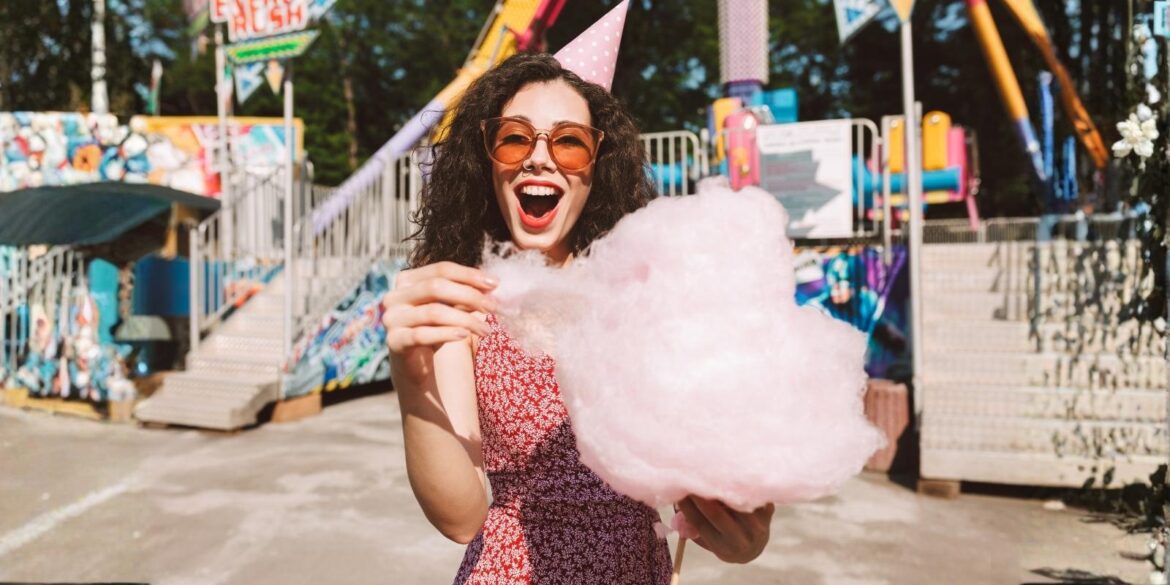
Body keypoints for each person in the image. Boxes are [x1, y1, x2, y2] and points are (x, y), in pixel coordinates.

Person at [381, 10, 773, 583]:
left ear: (598, 165)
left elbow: (713, 458)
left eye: (569, 143)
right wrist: (412, 383)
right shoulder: (464, 299)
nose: (540, 157)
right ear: (486, 160)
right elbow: (462, 519)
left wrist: (740, 531)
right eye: (515, 139)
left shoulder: (646, 291)